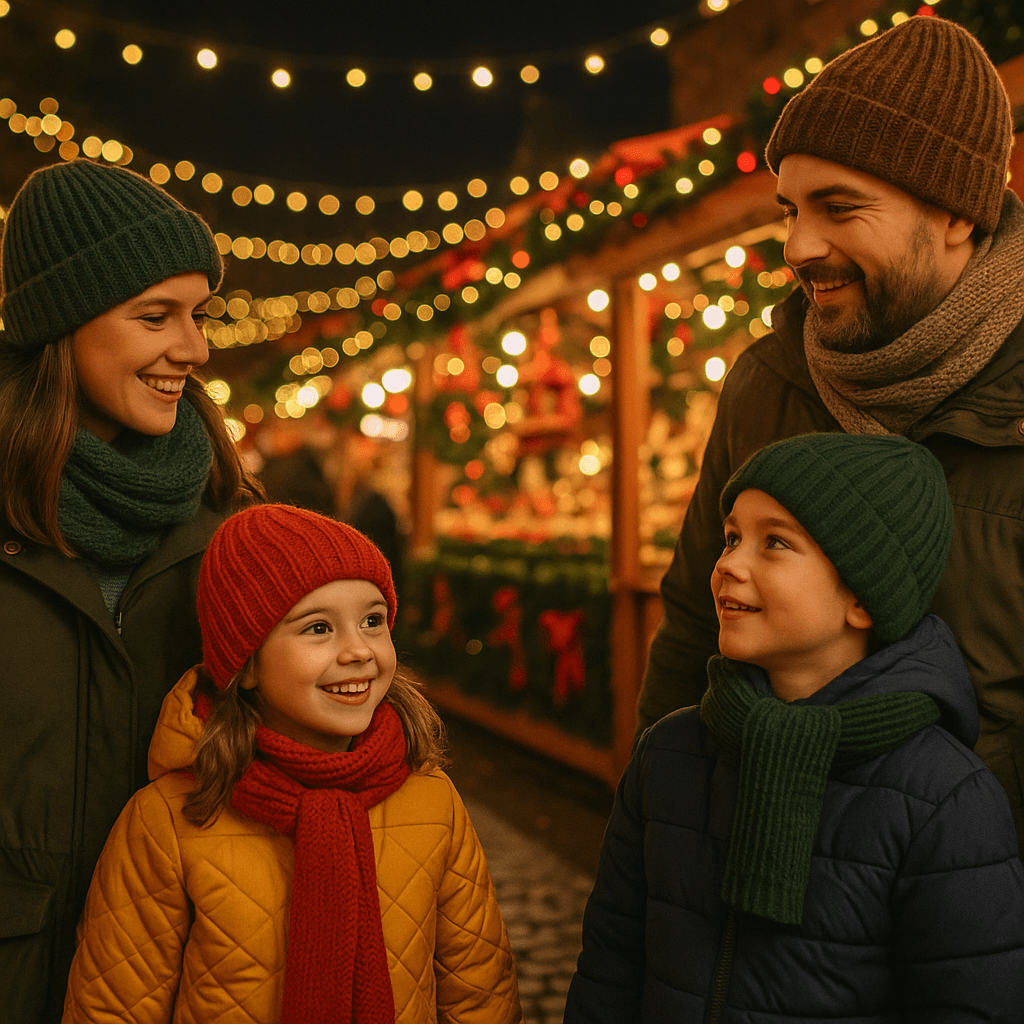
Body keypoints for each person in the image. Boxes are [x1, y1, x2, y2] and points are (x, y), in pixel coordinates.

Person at [636, 15, 1024, 848]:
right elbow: (692, 633)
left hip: (982, 908)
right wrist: (654, 837)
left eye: (839, 209)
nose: (797, 246)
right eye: (790, 209)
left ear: (955, 212)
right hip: (766, 885)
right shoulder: (767, 384)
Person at [566, 433, 1024, 1022]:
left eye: (774, 542)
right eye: (731, 537)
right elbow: (609, 970)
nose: (729, 562)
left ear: (863, 596)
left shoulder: (943, 795)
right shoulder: (672, 754)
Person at [61, 503, 523, 1024]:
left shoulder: (431, 800)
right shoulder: (168, 822)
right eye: (318, 628)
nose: (358, 650)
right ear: (247, 663)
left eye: (373, 621)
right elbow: (112, 1008)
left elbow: (481, 990)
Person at [0, 159, 259, 1022]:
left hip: (183, 980)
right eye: (156, 316)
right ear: (60, 327)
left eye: (197, 314)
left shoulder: (232, 524)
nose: (194, 348)